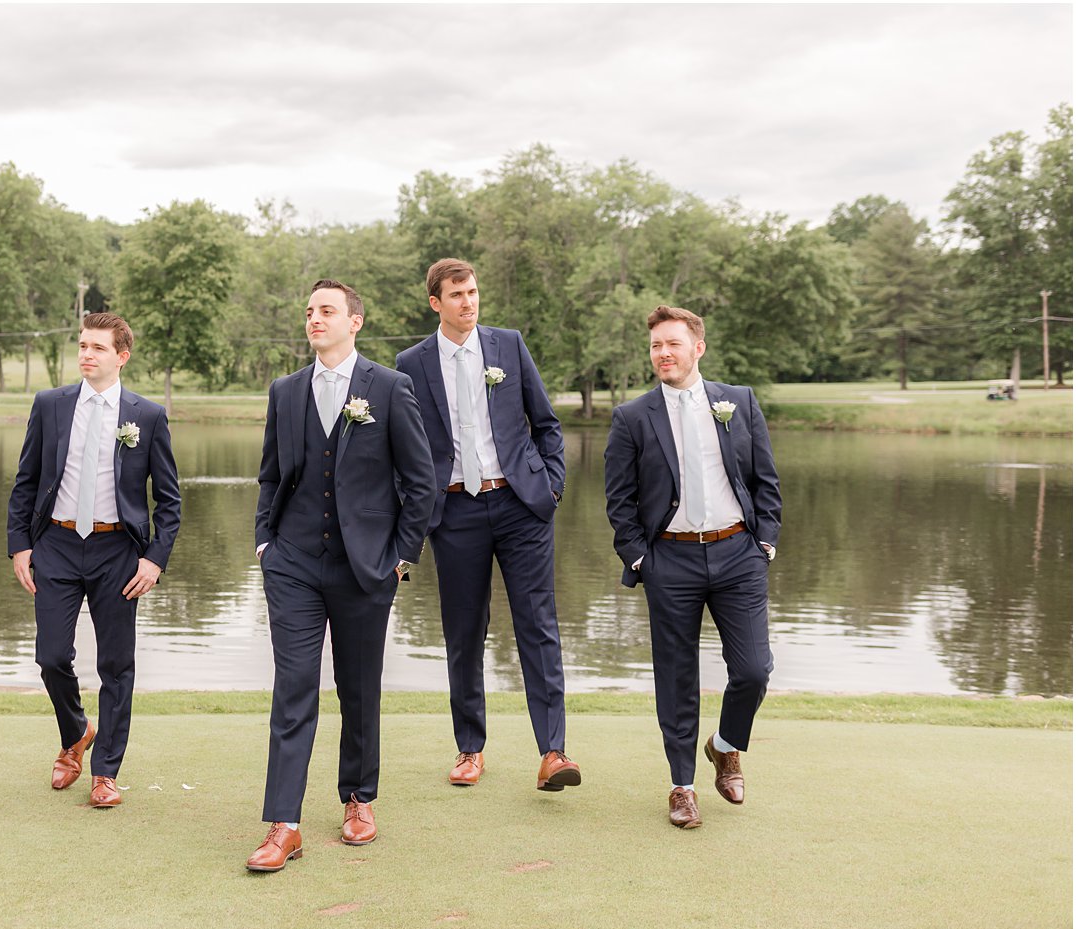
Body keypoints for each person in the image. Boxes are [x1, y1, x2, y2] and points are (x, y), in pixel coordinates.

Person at [245, 279, 434, 872]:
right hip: (294, 564)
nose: (314, 319)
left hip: (366, 567)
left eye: (326, 311)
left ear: (355, 321)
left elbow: (421, 482)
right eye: (308, 312)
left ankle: (357, 798)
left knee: (358, 689)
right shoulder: (286, 391)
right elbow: (271, 476)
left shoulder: (390, 387)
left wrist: (401, 556)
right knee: (293, 690)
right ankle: (284, 823)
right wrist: (264, 544)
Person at [394, 259, 580, 792]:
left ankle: (553, 751)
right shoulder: (412, 363)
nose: (468, 303)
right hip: (453, 512)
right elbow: (405, 450)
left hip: (521, 505)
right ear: (436, 303)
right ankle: (470, 749)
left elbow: (545, 423)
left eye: (473, 292)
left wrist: (552, 488)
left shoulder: (508, 345)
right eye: (456, 295)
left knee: (537, 626)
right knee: (464, 633)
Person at [603, 305, 781, 829]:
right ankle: (682, 787)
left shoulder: (738, 402)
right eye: (656, 345)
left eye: (673, 344)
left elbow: (765, 480)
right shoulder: (632, 417)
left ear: (697, 347)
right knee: (676, 678)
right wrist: (640, 557)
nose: (663, 353)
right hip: (669, 560)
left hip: (738, 555)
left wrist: (764, 543)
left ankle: (725, 745)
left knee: (753, 670)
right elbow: (620, 501)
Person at [7, 312, 180, 809]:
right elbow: (25, 482)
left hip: (118, 553)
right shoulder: (50, 405)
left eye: (98, 348)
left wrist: (154, 560)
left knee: (116, 665)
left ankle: (105, 771)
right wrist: (20, 544)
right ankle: (76, 732)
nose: (86, 354)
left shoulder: (146, 416)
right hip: (56, 545)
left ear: (121, 356)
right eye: (82, 345)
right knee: (51, 656)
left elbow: (168, 499)